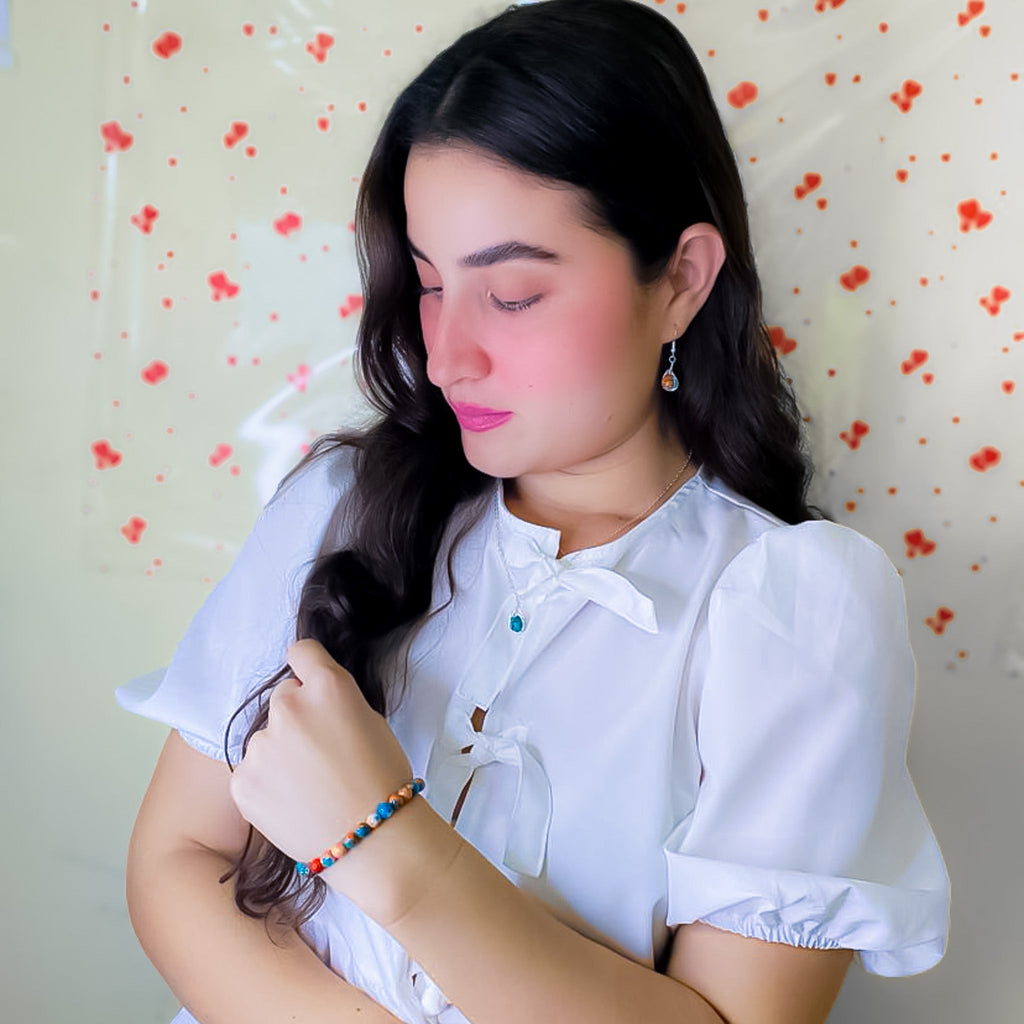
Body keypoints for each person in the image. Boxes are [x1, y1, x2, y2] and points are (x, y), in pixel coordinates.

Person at [118, 2, 950, 1022]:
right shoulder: (341, 509)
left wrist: (385, 843)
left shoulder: (793, 607)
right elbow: (174, 858)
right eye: (427, 284)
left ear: (682, 280)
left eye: (511, 294)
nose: (446, 353)